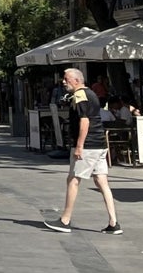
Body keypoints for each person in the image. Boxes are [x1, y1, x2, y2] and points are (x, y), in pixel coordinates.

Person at [44, 67, 121, 235]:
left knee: (73, 180)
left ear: (77, 80)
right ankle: (113, 223)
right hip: (99, 144)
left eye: (66, 79)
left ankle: (65, 220)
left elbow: (84, 121)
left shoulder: (80, 96)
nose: (63, 82)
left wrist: (79, 146)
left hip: (88, 146)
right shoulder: (91, 93)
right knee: (102, 182)